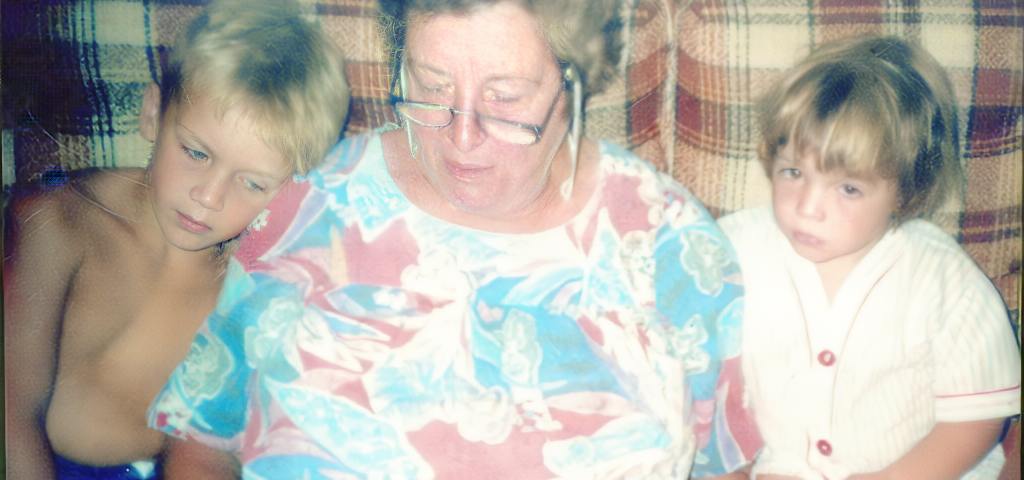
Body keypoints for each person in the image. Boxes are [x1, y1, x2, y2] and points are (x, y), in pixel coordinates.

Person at [147, 0, 762, 478]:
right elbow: (200, 446)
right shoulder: (307, 203)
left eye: (505, 97)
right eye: (432, 85)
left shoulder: (671, 243)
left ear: (575, 83)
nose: (461, 137)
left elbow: (724, 467)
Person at [3, 0, 350, 477]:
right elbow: (11, 412)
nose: (208, 197)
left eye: (252, 183)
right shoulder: (60, 220)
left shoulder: (259, 283)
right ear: (152, 113)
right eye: (195, 152)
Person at [718, 34, 1021, 479]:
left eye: (848, 188)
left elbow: (978, 417)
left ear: (906, 190)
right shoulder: (730, 249)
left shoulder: (944, 280)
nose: (807, 206)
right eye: (793, 172)